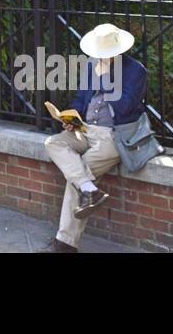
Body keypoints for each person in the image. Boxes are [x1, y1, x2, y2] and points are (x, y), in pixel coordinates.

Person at [39, 23, 151, 253]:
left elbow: (126, 107)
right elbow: (81, 100)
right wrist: (70, 119)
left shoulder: (135, 71)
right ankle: (90, 190)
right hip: (86, 130)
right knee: (54, 142)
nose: (102, 57)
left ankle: (65, 245)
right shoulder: (92, 66)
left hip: (113, 136)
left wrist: (107, 78)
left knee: (78, 175)